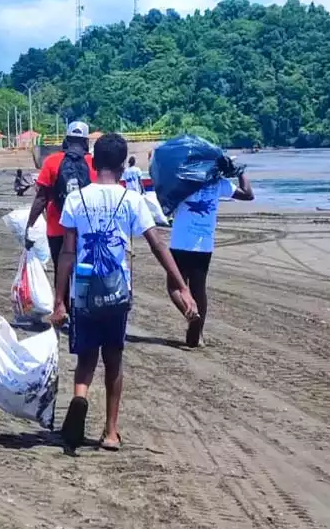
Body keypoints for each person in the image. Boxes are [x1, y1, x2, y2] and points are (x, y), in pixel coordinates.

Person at [51, 133, 196, 454]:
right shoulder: (131, 199)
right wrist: (181, 286)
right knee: (113, 360)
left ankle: (80, 397)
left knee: (86, 357)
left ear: (93, 161)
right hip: (117, 291)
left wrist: (59, 300)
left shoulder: (77, 199)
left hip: (84, 290)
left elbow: (66, 253)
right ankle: (112, 432)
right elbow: (157, 243)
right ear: (121, 164)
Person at [170, 154, 253, 348]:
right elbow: (248, 194)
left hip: (180, 242)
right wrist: (240, 172)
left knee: (174, 287)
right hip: (204, 245)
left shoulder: (182, 181)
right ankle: (196, 335)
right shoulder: (219, 184)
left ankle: (190, 314)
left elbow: (164, 190)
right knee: (199, 289)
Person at [26, 122, 94, 270]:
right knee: (86, 272)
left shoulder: (51, 161)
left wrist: (29, 225)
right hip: (86, 231)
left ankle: (61, 293)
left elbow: (41, 198)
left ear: (66, 140)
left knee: (61, 271)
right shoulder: (94, 163)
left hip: (57, 228)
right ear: (86, 142)